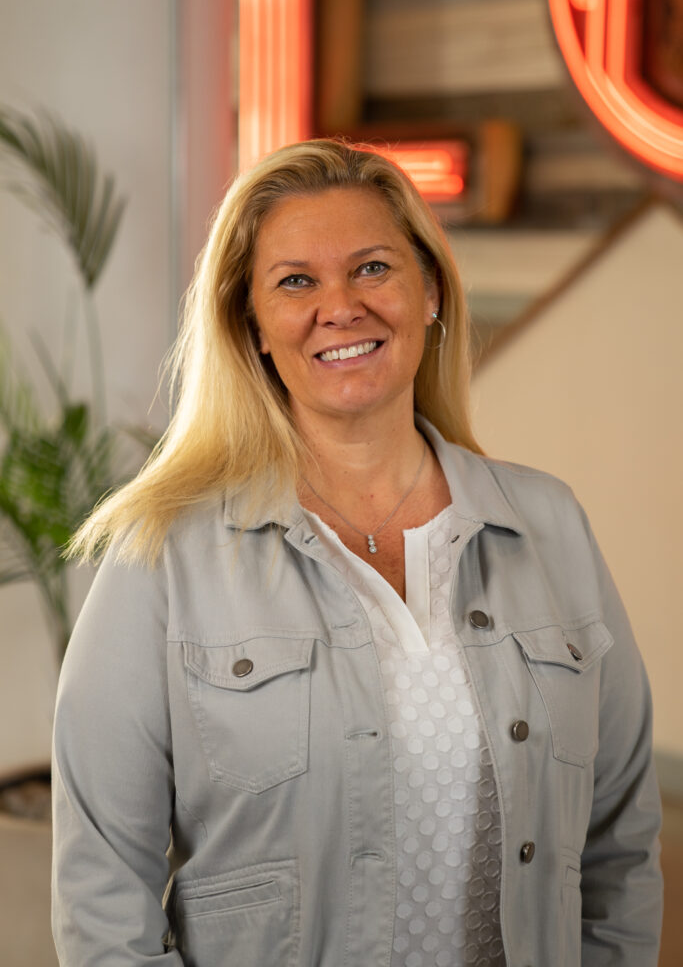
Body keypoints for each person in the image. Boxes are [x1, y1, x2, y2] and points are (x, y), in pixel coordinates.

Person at [52, 139, 663, 966]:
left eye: (372, 268)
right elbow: (102, 886)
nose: (339, 307)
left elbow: (619, 841)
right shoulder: (161, 554)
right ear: (253, 326)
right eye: (295, 281)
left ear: (431, 291)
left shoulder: (548, 525)